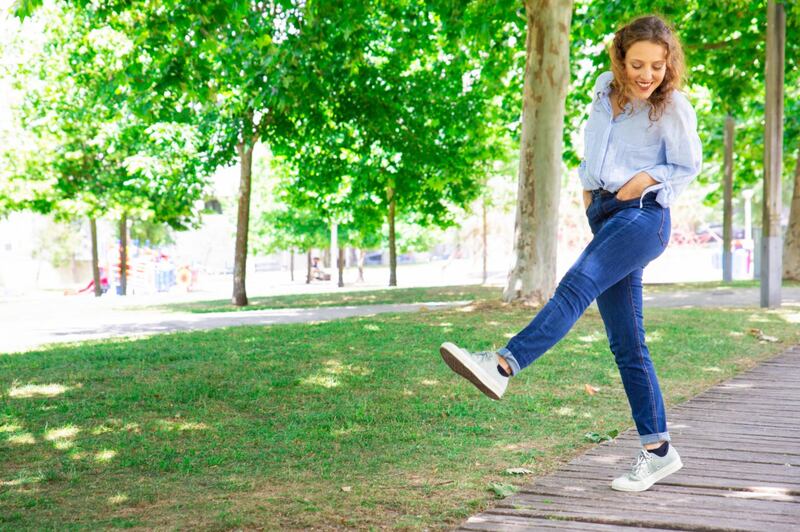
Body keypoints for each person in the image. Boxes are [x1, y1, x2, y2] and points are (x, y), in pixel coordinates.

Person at [440, 14, 702, 493]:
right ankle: (659, 450)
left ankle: (500, 365)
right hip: (605, 212)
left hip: (644, 215)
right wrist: (588, 196)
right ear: (620, 60)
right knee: (627, 343)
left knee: (576, 286)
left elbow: (688, 165)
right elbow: (594, 148)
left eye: (658, 67)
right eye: (638, 64)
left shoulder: (673, 108)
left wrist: (645, 179)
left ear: (669, 66)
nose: (647, 76)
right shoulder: (604, 90)